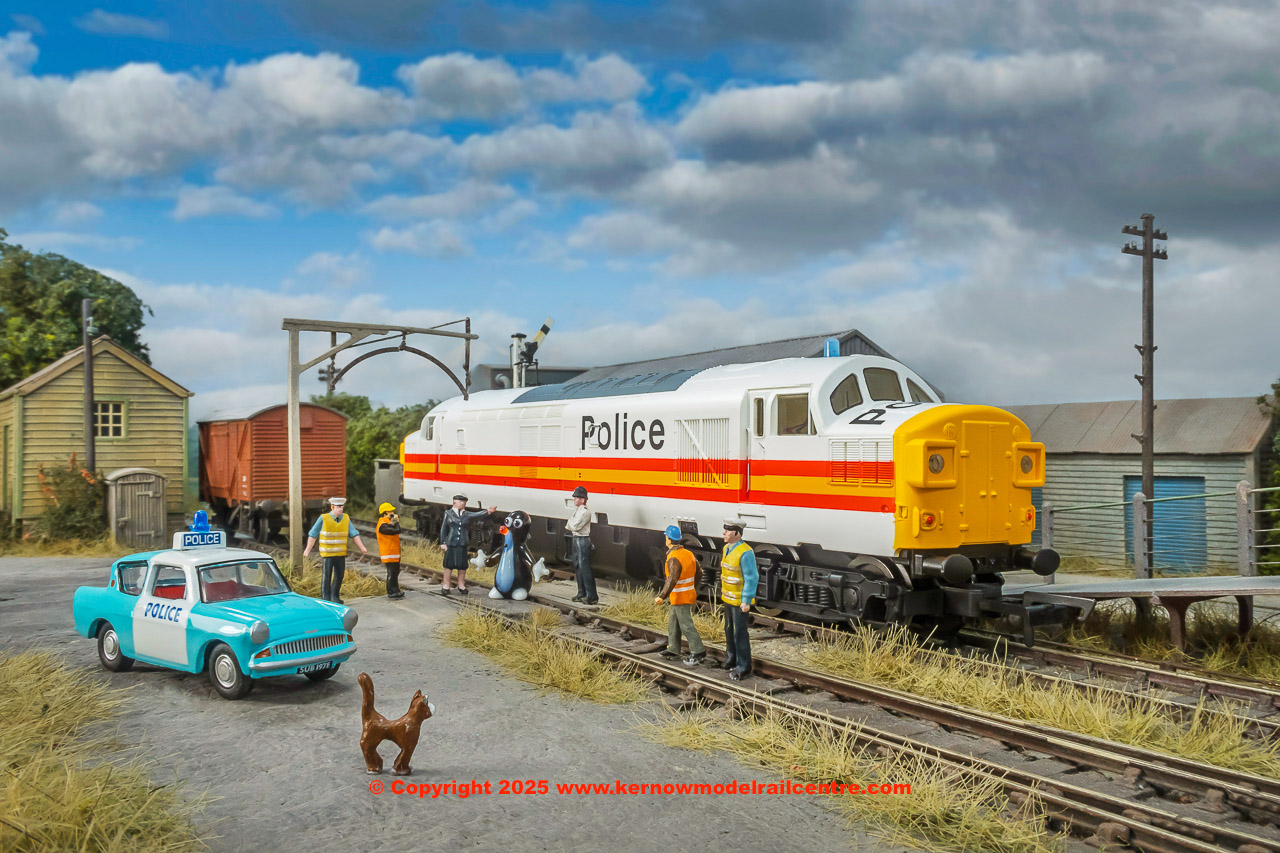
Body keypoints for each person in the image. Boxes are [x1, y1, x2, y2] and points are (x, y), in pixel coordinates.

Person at [653, 525, 705, 665]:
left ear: (669, 540)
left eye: (666, 537)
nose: (665, 539)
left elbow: (672, 579)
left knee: (686, 625)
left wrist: (662, 596)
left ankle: (698, 651)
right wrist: (692, 586)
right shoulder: (688, 553)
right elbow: (700, 572)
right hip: (683, 595)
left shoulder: (673, 557)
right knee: (673, 623)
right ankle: (673, 648)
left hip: (680, 597)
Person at [302, 497, 368, 604]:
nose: (340, 509)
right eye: (338, 507)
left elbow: (354, 534)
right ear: (332, 507)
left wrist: (362, 547)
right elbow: (313, 534)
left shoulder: (346, 518)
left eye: (342, 507)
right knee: (326, 576)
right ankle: (326, 597)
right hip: (328, 554)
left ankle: (335, 596)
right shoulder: (323, 518)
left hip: (340, 554)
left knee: (339, 575)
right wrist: (307, 550)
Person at [719, 520, 757, 681]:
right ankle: (731, 657)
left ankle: (744, 665)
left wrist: (746, 600)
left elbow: (751, 577)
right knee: (728, 629)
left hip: (739, 601)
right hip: (728, 598)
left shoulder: (746, 552)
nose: (724, 533)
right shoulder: (726, 548)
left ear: (737, 533)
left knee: (740, 632)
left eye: (727, 531)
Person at [439, 494, 497, 595]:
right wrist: (443, 542)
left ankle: (461, 585)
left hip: (462, 543)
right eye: (461, 501)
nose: (464, 503)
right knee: (448, 565)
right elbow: (443, 528)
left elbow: (477, 515)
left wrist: (488, 511)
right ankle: (446, 585)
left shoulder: (467, 514)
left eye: (464, 502)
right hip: (451, 543)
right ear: (454, 502)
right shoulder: (448, 513)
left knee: (462, 565)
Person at [566, 485, 597, 605]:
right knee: (577, 566)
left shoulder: (585, 512)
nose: (574, 499)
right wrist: (571, 523)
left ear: (583, 499)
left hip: (582, 540)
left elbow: (574, 526)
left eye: (576, 498)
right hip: (576, 539)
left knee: (585, 568)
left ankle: (592, 596)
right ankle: (581, 593)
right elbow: (570, 524)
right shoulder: (578, 510)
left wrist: (570, 523)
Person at [376, 502, 405, 600]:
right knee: (391, 573)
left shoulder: (387, 523)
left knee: (395, 572)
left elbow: (395, 528)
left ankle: (396, 590)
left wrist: (393, 521)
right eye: (391, 513)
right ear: (385, 514)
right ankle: (391, 592)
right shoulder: (382, 526)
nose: (393, 514)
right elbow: (397, 530)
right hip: (388, 553)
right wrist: (396, 521)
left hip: (394, 553)